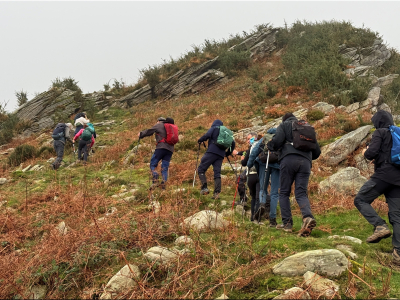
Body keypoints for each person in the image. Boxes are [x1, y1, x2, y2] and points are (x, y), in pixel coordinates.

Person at [354, 110, 400, 266]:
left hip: (384, 175)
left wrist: (366, 152)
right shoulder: (397, 133)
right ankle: (398, 253)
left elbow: (371, 153)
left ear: (378, 122)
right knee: (396, 215)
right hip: (398, 178)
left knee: (360, 199)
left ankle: (379, 226)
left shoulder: (380, 132)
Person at [267, 113, 321, 236]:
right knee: (301, 192)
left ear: (284, 119)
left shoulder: (285, 125)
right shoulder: (307, 127)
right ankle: (307, 217)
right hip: (306, 163)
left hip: (288, 160)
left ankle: (287, 224)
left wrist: (270, 146)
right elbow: (317, 152)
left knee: (284, 192)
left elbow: (278, 141)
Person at [247, 128, 280, 226]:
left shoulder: (264, 138)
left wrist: (249, 164)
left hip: (263, 164)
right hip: (276, 166)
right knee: (274, 193)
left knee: (262, 189)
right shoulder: (280, 138)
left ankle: (262, 204)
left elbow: (255, 151)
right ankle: (272, 219)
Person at [197, 119, 235, 199]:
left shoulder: (214, 128)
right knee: (217, 173)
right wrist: (227, 153)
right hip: (220, 155)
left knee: (201, 169)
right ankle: (216, 193)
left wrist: (200, 140)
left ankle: (204, 188)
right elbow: (233, 144)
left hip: (212, 151)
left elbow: (207, 135)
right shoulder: (227, 132)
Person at [138, 117, 175, 190]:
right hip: (170, 150)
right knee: (164, 168)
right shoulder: (171, 127)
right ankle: (163, 186)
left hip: (161, 148)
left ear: (158, 121)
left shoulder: (159, 125)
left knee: (153, 164)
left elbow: (149, 131)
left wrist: (141, 134)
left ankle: (155, 180)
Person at [235, 132, 261, 223]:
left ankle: (252, 217)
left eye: (249, 139)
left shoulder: (252, 148)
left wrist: (242, 159)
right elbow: (246, 152)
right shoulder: (261, 146)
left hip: (252, 173)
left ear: (255, 138)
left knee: (254, 196)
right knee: (259, 195)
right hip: (261, 173)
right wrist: (238, 153)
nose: (248, 141)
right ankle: (257, 219)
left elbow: (245, 162)